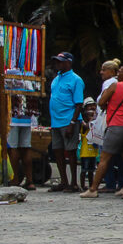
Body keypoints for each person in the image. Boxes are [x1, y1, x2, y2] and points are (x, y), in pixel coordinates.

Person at [80, 63, 123, 198]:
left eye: (120, 71)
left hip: (117, 125)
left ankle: (93, 188)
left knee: (104, 157)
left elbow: (101, 102)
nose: (117, 73)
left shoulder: (115, 86)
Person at [48, 52, 84, 192]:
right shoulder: (56, 79)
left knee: (71, 151)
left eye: (60, 62)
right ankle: (63, 181)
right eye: (57, 61)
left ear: (68, 63)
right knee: (57, 150)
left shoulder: (76, 80)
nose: (57, 64)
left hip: (69, 120)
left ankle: (73, 182)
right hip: (56, 121)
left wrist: (73, 122)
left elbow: (79, 103)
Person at [98, 59, 123, 193]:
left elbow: (102, 101)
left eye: (104, 69)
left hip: (110, 120)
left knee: (106, 153)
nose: (101, 72)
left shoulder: (109, 83)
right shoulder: (120, 83)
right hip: (118, 120)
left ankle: (110, 182)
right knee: (119, 155)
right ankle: (121, 182)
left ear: (112, 71)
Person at [8, 90, 39, 190]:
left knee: (12, 147)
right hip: (26, 113)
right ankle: (30, 181)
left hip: (11, 113)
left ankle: (15, 179)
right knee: (26, 147)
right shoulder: (29, 73)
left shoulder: (6, 73)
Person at [79, 97, 99, 190]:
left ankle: (91, 185)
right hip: (85, 153)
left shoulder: (95, 124)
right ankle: (82, 185)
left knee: (91, 171)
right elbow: (87, 126)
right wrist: (91, 120)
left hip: (93, 152)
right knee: (84, 170)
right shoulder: (84, 126)